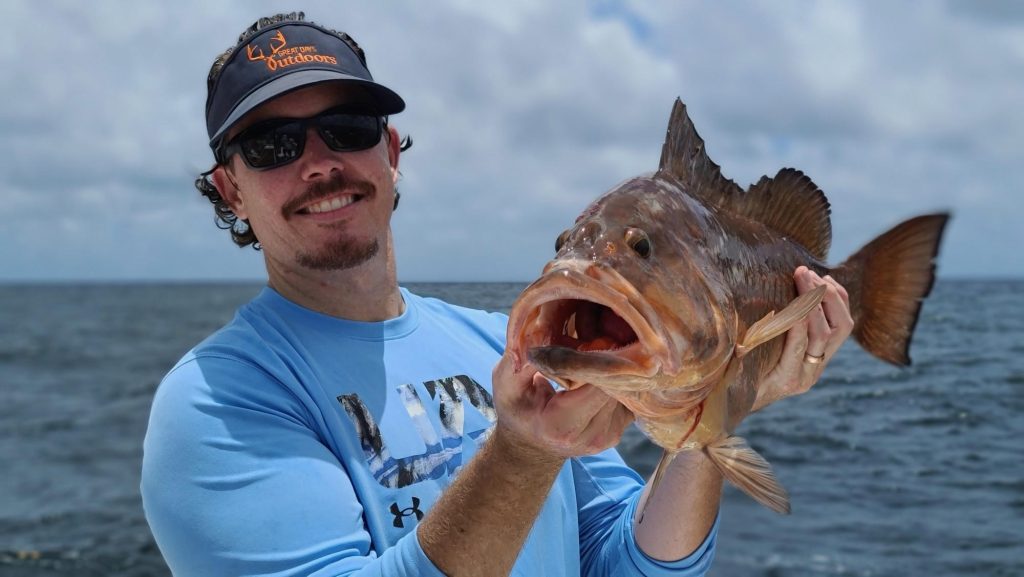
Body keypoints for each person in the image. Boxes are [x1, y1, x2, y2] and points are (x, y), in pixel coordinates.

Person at [141, 12, 854, 577]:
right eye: (273, 145)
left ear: (389, 153)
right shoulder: (215, 404)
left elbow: (628, 565)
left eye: (347, 128)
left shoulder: (501, 342)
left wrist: (712, 417)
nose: (320, 163)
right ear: (229, 189)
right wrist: (524, 451)